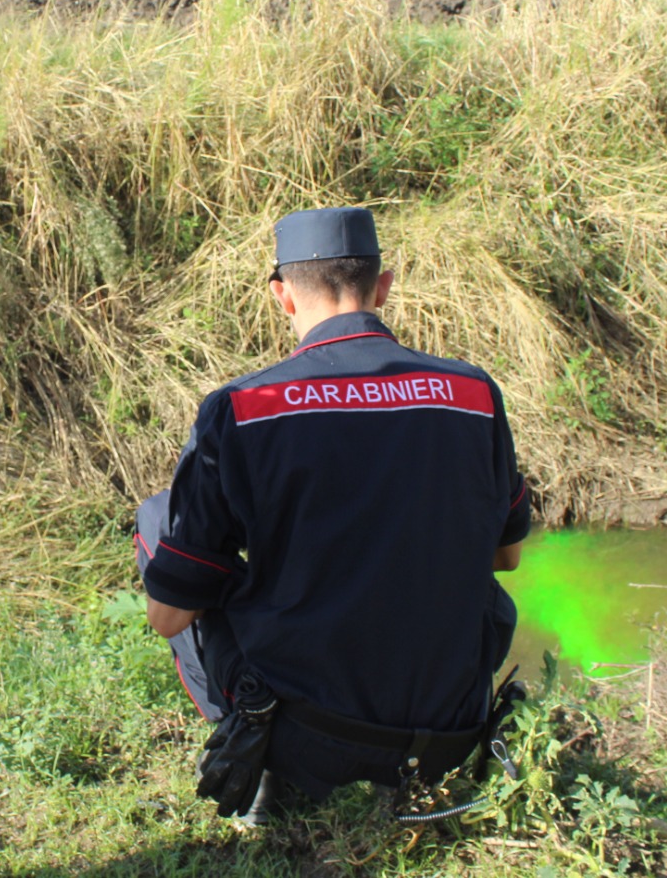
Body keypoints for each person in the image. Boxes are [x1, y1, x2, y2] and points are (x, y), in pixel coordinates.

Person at [135, 207, 531, 819]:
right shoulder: (474, 394)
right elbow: (505, 556)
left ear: (282, 296)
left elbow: (168, 618)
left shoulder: (244, 409)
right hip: (448, 730)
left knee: (161, 520)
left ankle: (259, 761)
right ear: (384, 286)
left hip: (308, 737)